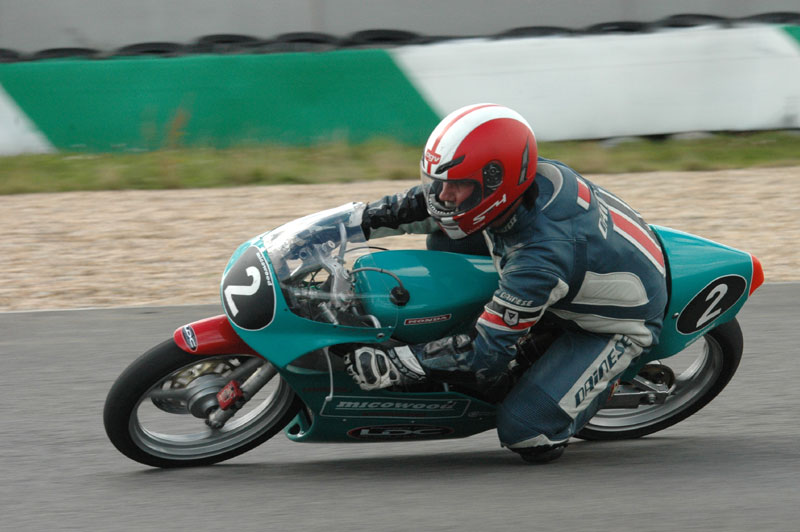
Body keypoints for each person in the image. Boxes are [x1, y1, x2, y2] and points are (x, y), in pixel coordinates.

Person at [344, 103, 668, 463]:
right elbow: (424, 205)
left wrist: (400, 362)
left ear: (496, 182)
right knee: (445, 237)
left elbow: (486, 354)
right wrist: (350, 223)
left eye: (456, 186)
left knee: (527, 433)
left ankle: (603, 385)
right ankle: (519, 320)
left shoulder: (539, 258)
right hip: (575, 265)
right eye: (440, 182)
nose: (443, 195)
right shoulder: (522, 183)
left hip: (615, 324)